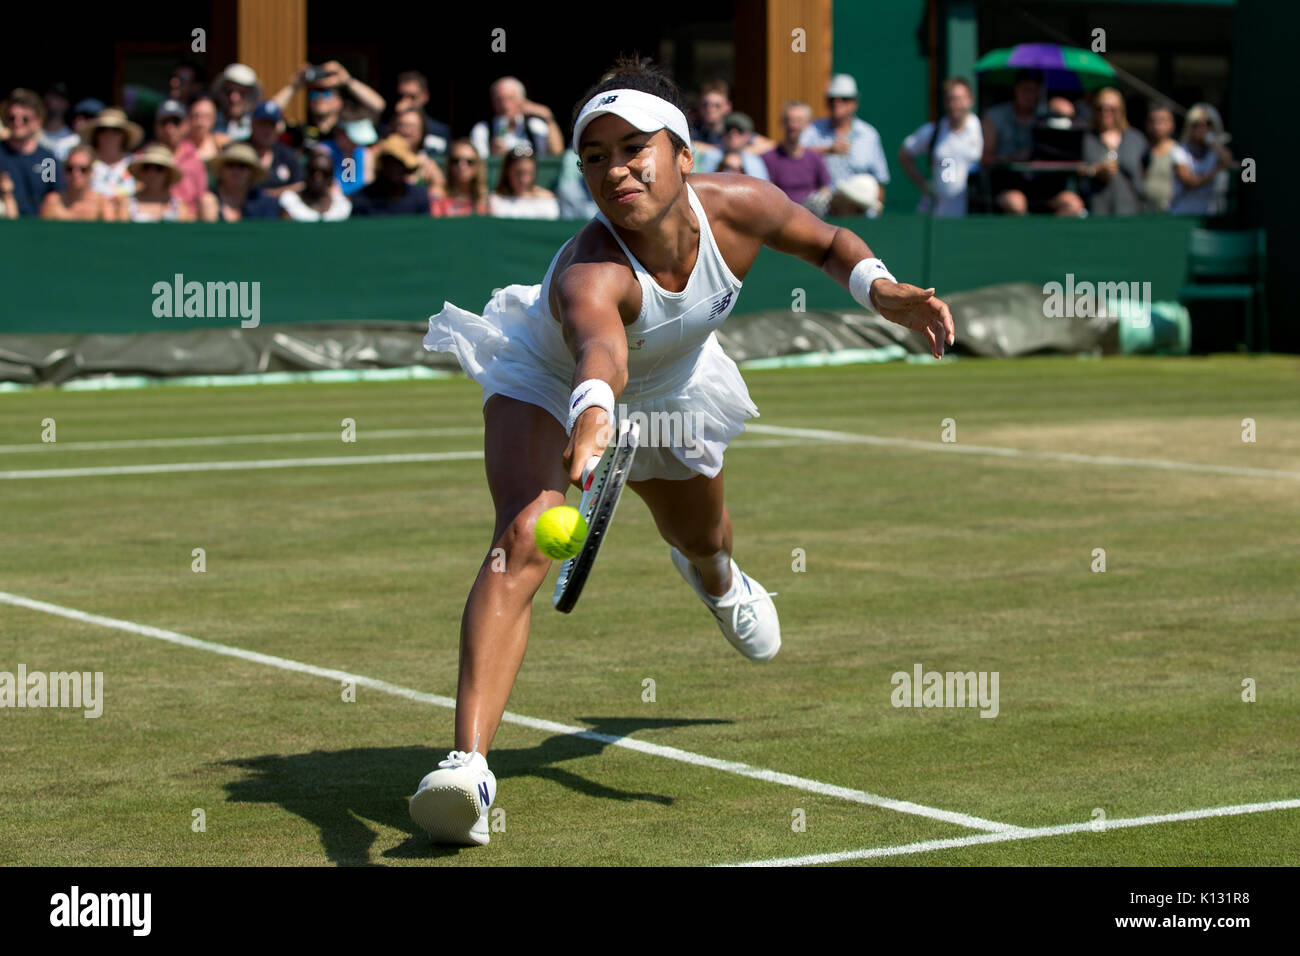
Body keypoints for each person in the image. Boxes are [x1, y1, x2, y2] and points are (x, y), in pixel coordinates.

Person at [412, 55, 954, 847]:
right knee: (526, 536)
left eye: (634, 147)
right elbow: (601, 349)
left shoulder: (742, 205)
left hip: (674, 388)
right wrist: (593, 410)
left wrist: (884, 292)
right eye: (594, 157)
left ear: (682, 152)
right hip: (549, 382)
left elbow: (831, 242)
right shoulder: (590, 271)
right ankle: (467, 768)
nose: (614, 170)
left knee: (705, 536)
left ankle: (715, 577)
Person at [981, 70, 1084, 216]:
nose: (1029, 95)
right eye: (1025, 89)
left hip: (1045, 185)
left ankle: (1052, 238)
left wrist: (1068, 112)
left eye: (1035, 90)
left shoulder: (1049, 115)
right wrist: (1012, 158)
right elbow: (985, 158)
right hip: (1008, 183)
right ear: (1016, 89)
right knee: (1017, 203)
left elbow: (1069, 148)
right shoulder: (995, 116)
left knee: (1072, 204)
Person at [799, 74, 890, 213]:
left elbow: (879, 182)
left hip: (860, 213)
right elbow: (795, 154)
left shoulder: (869, 135)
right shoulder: (812, 130)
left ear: (854, 103)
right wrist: (828, 150)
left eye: (844, 99)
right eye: (832, 99)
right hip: (823, 213)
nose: (837, 103)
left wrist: (875, 217)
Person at [898, 77, 983, 217]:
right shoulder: (933, 131)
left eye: (959, 99)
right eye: (950, 99)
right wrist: (923, 184)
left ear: (970, 100)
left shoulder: (981, 130)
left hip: (971, 215)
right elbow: (904, 154)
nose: (954, 104)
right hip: (936, 214)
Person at [1079, 87, 1147, 216]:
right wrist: (1095, 170)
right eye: (1101, 108)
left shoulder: (1136, 139)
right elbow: (1076, 170)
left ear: (1121, 110)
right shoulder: (1085, 138)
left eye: (1112, 109)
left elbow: (1145, 170)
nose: (1106, 112)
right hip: (1097, 209)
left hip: (1131, 209)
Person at [469, 76, 564, 157]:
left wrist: (547, 116)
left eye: (510, 98)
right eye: (499, 100)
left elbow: (556, 153)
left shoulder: (534, 126)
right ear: (492, 103)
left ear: (522, 100)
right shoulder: (482, 130)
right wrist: (492, 155)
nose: (505, 105)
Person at [0, 88, 59, 216]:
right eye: (12, 118)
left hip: (42, 229)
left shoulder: (48, 159)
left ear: (38, 121)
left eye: (25, 119)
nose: (17, 123)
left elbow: (56, 197)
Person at [762, 101, 831, 208]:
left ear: (807, 124)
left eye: (798, 120)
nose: (792, 125)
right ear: (782, 122)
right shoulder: (768, 158)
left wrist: (821, 199)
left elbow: (825, 188)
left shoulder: (815, 158)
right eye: (788, 120)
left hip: (811, 217)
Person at [1168, 103, 1233, 216]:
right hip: (1182, 214)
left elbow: (1227, 160)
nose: (1203, 128)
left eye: (1208, 124)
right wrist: (1217, 170)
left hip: (1209, 215)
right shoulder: (1179, 151)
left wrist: (1213, 142)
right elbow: (1190, 182)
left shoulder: (1214, 151)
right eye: (1197, 124)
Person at [349, 135, 429, 216]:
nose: (393, 169)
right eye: (389, 162)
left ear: (405, 167)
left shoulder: (419, 197)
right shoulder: (362, 198)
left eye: (398, 164)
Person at [199, 142, 280, 221]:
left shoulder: (265, 204)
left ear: (252, 173)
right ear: (221, 170)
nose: (236, 170)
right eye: (231, 164)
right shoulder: (207, 200)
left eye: (242, 166)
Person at [39, 143, 114, 220]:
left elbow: (110, 231)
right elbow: (44, 230)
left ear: (91, 172)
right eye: (70, 169)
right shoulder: (53, 202)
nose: (75, 174)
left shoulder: (101, 204)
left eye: (83, 169)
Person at [84, 107, 144, 201]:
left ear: (124, 135)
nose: (109, 134)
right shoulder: (84, 162)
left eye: (115, 130)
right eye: (103, 130)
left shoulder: (136, 163)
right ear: (96, 134)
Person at [122, 144, 192, 221]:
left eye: (159, 168)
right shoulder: (126, 204)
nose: (152, 173)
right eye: (147, 167)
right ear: (140, 172)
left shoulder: (180, 208)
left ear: (168, 174)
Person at [487, 144, 559, 219]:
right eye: (518, 173)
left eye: (529, 173)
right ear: (507, 172)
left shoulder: (546, 201)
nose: (524, 180)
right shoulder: (495, 200)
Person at [279, 147, 351, 221]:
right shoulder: (290, 202)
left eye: (325, 173)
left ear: (331, 177)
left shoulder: (342, 206)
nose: (318, 179)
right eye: (313, 171)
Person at [248, 100, 302, 197]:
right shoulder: (240, 151)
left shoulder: (287, 154)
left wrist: (271, 194)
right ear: (253, 124)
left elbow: (299, 185)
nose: (267, 130)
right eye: (263, 124)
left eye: (271, 125)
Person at [694, 113, 770, 179]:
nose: (733, 134)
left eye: (740, 130)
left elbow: (762, 190)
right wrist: (722, 166)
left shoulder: (754, 161)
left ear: (748, 136)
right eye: (728, 129)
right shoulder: (711, 155)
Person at [392, 70, 449, 155]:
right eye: (401, 96)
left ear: (425, 96)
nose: (405, 102)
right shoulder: (388, 129)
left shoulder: (439, 130)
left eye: (412, 97)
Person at [430, 138, 489, 217]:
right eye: (456, 161)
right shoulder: (438, 196)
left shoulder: (485, 200)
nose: (462, 166)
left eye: (469, 162)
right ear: (450, 165)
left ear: (477, 166)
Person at [1141, 102, 1178, 213]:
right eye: (1153, 121)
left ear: (1172, 124)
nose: (1157, 126)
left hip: (1172, 213)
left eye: (1163, 120)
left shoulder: (1179, 152)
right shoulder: (1141, 150)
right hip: (1144, 212)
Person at [211, 63, 261, 142]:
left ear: (251, 96)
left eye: (242, 93)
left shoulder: (257, 124)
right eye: (228, 92)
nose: (234, 99)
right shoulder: (209, 121)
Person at [39, 82, 80, 161]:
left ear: (66, 104)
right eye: (49, 95)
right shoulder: (33, 136)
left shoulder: (73, 140)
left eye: (57, 97)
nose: (51, 100)